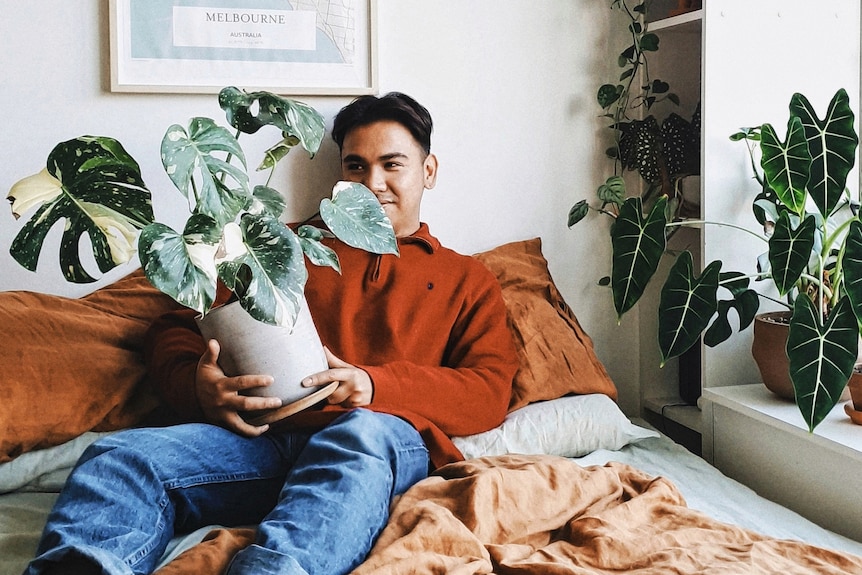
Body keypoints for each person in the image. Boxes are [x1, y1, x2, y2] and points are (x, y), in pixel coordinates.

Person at [25, 92, 519, 575]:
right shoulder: (280, 245)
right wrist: (199, 387)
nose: (373, 183)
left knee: (361, 431)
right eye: (355, 167)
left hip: (375, 445)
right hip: (262, 441)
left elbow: (489, 390)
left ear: (427, 171)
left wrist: (374, 386)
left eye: (393, 165)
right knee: (119, 456)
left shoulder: (466, 278)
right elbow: (177, 325)